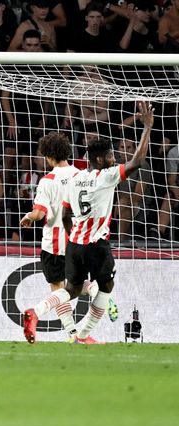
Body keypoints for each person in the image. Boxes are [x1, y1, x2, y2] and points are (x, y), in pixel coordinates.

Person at [24, 102, 153, 345]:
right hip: (96, 244)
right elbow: (138, 161)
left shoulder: (76, 180)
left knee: (70, 289)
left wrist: (75, 236)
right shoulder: (106, 176)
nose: (115, 159)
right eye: (112, 156)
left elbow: (64, 215)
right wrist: (146, 128)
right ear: (102, 159)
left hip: (74, 244)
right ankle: (83, 335)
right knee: (106, 286)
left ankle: (37, 311)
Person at [18, 132, 105, 344]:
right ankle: (94, 293)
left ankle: (70, 330)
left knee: (59, 290)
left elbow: (39, 213)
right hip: (78, 240)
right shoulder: (82, 175)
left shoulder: (47, 181)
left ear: (48, 157)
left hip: (53, 245)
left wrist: (28, 217)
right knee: (74, 285)